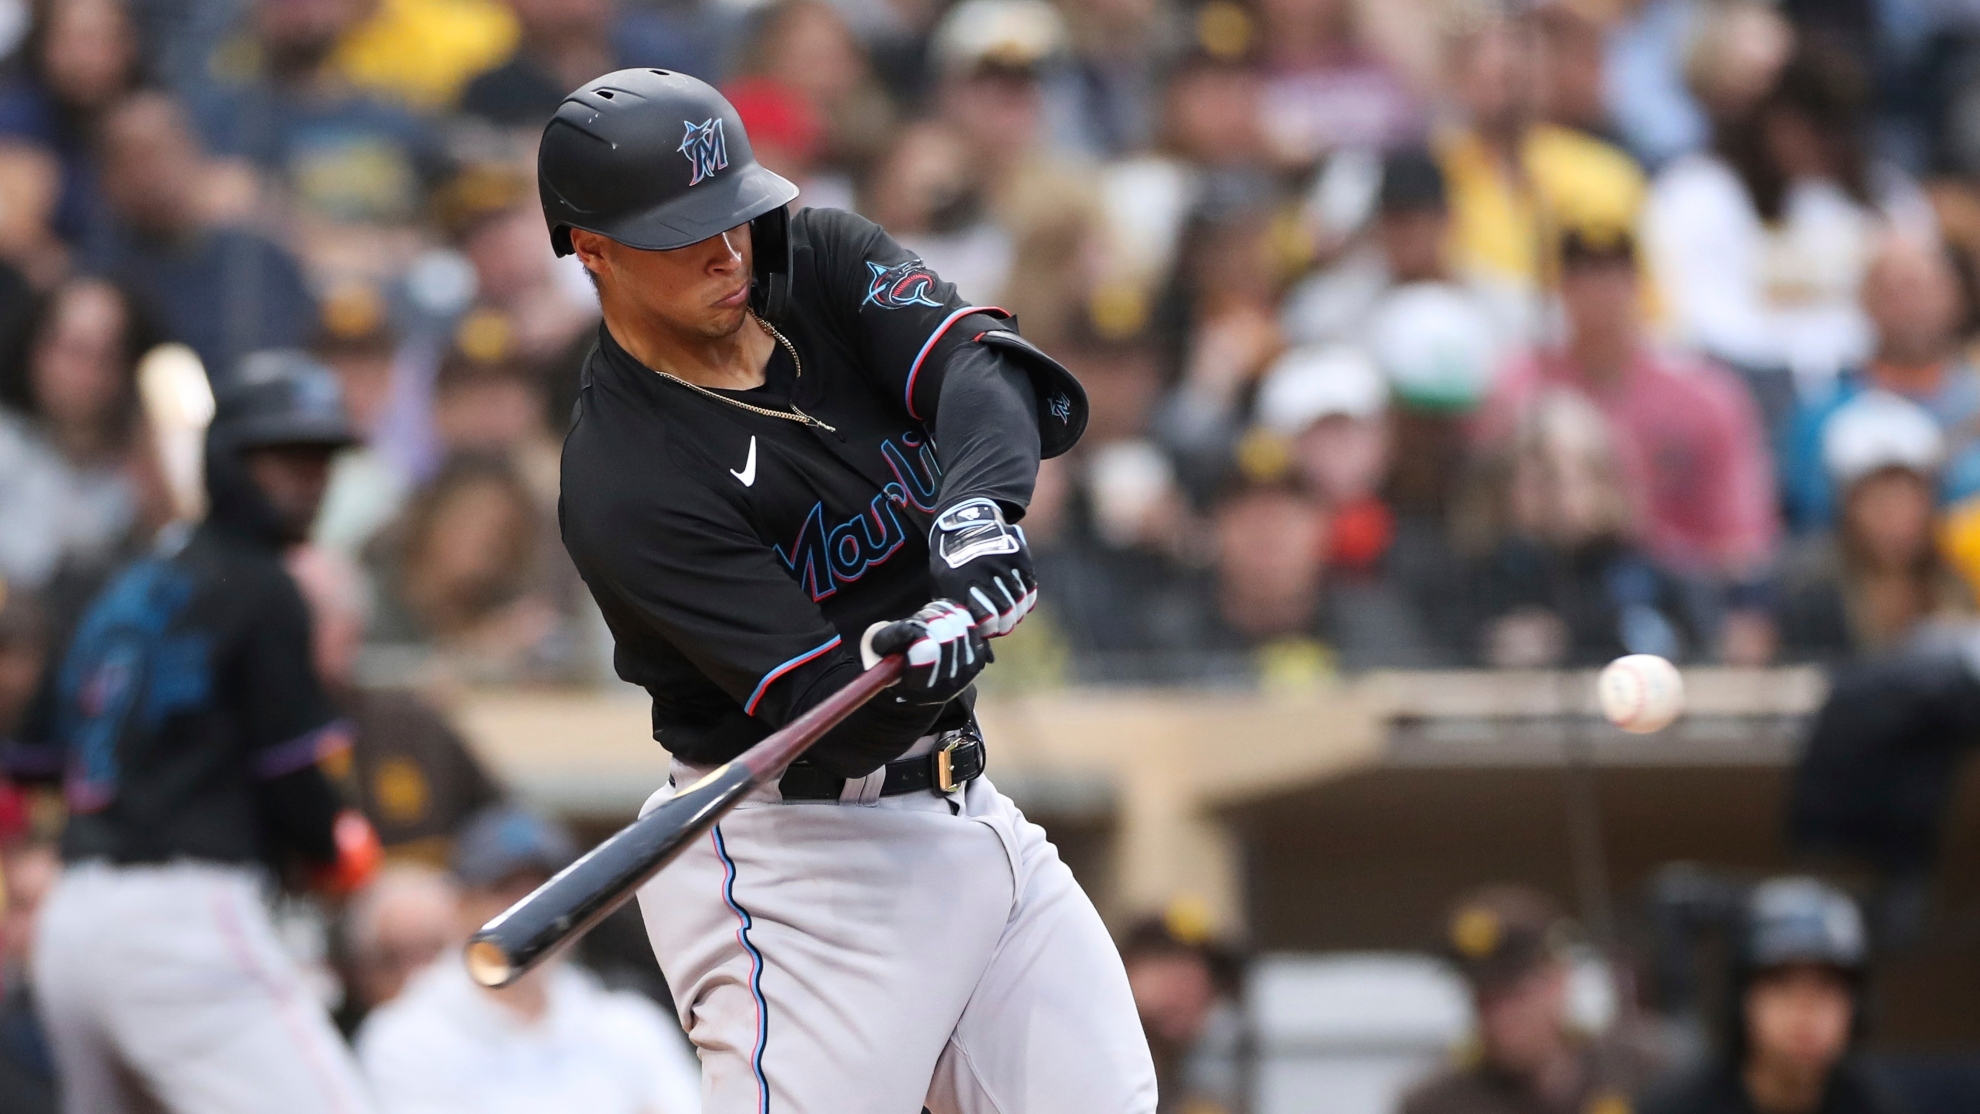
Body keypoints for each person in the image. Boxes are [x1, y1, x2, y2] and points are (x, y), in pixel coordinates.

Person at [544, 69, 1154, 1110]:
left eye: (731, 214)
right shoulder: (624, 482)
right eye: (683, 231)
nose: (726, 251)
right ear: (591, 248)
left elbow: (987, 374)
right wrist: (911, 659)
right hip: (799, 865)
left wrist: (973, 517)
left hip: (969, 806)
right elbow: (826, 722)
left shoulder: (813, 256)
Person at [9, 350, 381, 1114]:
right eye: (283, 460)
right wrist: (329, 844)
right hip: (181, 921)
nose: (308, 482)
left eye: (319, 462)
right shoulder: (265, 586)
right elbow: (293, 778)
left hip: (74, 924)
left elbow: (34, 754)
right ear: (227, 461)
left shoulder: (124, 582)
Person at [1477, 224, 1778, 662]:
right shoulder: (1519, 387)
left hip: (1679, 596)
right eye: (1583, 274)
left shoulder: (1703, 398)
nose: (1600, 291)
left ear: (1639, 284)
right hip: (1549, 587)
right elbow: (1485, 518)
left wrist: (1741, 614)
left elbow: (1742, 541)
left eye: (1614, 274)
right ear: (1561, 287)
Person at [357, 806, 702, 1114]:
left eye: (549, 892)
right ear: (461, 906)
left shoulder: (630, 1023)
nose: (534, 913)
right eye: (505, 890)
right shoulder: (403, 1036)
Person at [82, 92, 319, 383]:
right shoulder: (99, 280)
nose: (153, 174)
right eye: (133, 159)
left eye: (163, 152)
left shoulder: (257, 259)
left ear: (195, 153)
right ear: (107, 178)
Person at [288, 543, 505, 860]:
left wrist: (510, 872)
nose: (289, 633)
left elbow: (502, 820)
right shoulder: (234, 733)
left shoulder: (415, 727)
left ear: (353, 628)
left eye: (309, 615)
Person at [1641, 877, 1903, 1114]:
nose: (1805, 1010)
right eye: (1782, 985)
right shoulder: (1675, 1108)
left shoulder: (1874, 1105)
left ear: (1857, 1008)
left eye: (1826, 987)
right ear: (1741, 1001)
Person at [1780, 235, 1980, 531]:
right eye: (1894, 292)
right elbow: (1810, 517)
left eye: (1923, 289)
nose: (1911, 306)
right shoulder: (1823, 415)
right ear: (1866, 301)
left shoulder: (1973, 400)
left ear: (1957, 299)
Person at [1402, 885, 1657, 1114]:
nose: (1499, 1018)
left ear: (1559, 979)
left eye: (1514, 997)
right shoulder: (1439, 1105)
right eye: (1484, 1001)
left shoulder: (1645, 1073)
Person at [1776, 391, 1970, 662]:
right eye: (1878, 501)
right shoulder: (1811, 593)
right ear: (1848, 507)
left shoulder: (1956, 581)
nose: (1895, 517)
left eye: (1909, 499)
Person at [0, 278, 158, 592]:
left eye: (107, 355)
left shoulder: (145, 469)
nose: (87, 374)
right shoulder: (6, 446)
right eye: (75, 350)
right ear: (35, 350)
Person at [337, 862, 463, 1030]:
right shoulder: (381, 1036)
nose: (416, 977)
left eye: (430, 954)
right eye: (394, 959)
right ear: (362, 975)